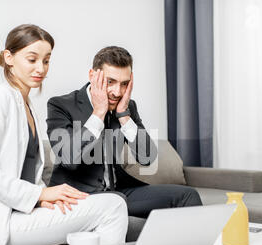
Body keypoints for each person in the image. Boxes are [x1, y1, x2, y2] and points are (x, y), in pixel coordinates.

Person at [0, 25, 128, 245]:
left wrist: (42, 198)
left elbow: (24, 173)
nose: (41, 69)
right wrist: (40, 195)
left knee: (108, 204)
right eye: (32, 59)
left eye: (46, 61)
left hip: (21, 212)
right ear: (9, 58)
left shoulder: (28, 107)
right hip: (1, 221)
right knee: (113, 206)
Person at [47, 46, 202, 219]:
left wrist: (124, 116)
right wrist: (98, 112)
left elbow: (147, 157)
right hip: (80, 196)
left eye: (124, 84)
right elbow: (69, 160)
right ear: (93, 76)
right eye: (110, 82)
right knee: (116, 202)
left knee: (188, 195)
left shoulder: (127, 107)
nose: (117, 92)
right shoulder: (60, 105)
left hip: (117, 191)